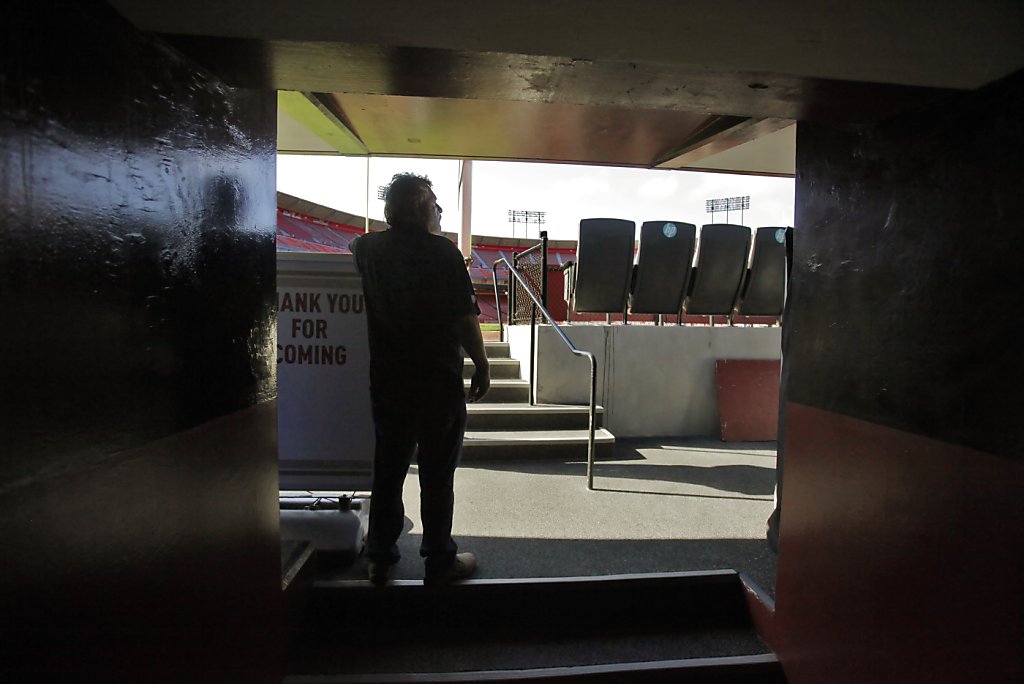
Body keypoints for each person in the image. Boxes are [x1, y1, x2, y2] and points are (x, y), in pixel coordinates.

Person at [351, 172, 490, 586]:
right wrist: (481, 363)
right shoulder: (443, 253)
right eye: (435, 204)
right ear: (418, 206)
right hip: (437, 383)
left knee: (388, 470)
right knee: (436, 473)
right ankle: (439, 559)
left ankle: (379, 557)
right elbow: (465, 319)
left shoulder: (366, 248)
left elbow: (355, 247)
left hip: (388, 381)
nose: (440, 211)